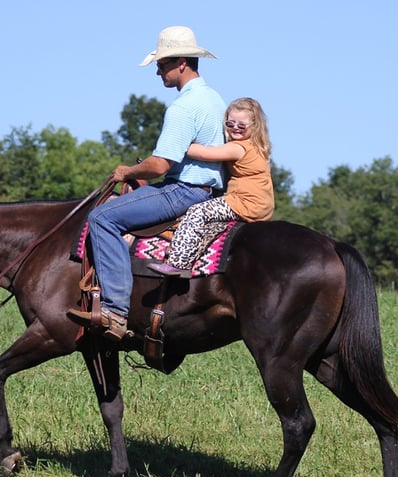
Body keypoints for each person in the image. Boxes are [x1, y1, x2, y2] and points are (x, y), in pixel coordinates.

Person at [67, 26, 226, 341]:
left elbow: (160, 164)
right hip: (209, 191)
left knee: (101, 218)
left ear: (182, 62)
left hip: (183, 192)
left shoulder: (183, 107)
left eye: (162, 64)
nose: (158, 71)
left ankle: (114, 311)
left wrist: (127, 171)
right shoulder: (215, 98)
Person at [148, 97, 274, 277]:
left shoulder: (238, 148)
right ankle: (196, 253)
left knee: (198, 212)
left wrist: (178, 141)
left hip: (244, 202)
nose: (235, 128)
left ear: (255, 126)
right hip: (260, 204)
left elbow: (204, 153)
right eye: (230, 123)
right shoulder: (258, 147)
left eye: (241, 125)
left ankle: (178, 263)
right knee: (213, 223)